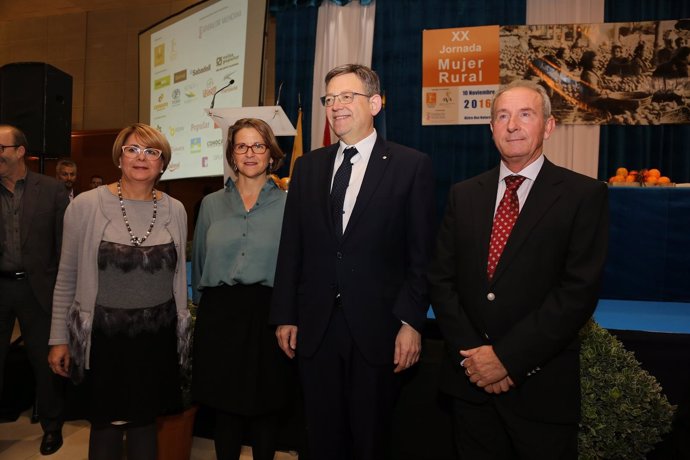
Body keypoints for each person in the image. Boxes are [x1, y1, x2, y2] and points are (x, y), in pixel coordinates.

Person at [428, 80, 609, 460]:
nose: (512, 125)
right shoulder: (463, 194)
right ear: (491, 128)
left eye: (525, 115)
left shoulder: (583, 195)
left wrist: (507, 359)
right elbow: (442, 282)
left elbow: (577, 292)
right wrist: (475, 360)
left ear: (548, 125)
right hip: (469, 386)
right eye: (502, 116)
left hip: (540, 389)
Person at [269, 64, 436, 460]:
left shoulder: (411, 166)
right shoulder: (307, 167)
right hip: (316, 327)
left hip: (379, 330)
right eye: (329, 99)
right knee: (321, 438)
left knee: (370, 439)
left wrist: (412, 322)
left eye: (348, 97)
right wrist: (285, 314)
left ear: (375, 103)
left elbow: (422, 256)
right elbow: (292, 247)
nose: (336, 106)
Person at [48, 123, 190, 459]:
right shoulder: (85, 205)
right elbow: (66, 275)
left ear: (163, 163)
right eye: (133, 149)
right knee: (106, 429)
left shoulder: (176, 209)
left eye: (152, 151)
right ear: (119, 157)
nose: (142, 158)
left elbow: (178, 277)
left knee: (145, 425)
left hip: (155, 338)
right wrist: (58, 339)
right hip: (104, 339)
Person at [192, 118, 293, 460]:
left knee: (266, 407)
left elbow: (298, 267)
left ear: (271, 154)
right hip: (220, 316)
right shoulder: (210, 205)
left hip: (269, 315)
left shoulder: (290, 205)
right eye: (241, 146)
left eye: (258, 146)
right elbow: (200, 261)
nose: (250, 153)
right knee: (225, 409)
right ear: (232, 154)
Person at [0, 124, 68, 455]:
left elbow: (64, 246)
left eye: (0, 147)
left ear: (19, 151)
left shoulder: (52, 190)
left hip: (37, 289)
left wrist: (59, 288)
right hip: (1, 287)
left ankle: (52, 427)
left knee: (45, 362)